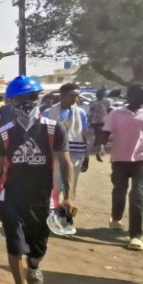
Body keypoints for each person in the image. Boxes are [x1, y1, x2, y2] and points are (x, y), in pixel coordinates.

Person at [0, 76, 74, 284]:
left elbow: (66, 163)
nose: (27, 103)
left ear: (39, 98)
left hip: (43, 199)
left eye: (31, 97)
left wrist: (70, 196)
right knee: (14, 246)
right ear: (12, 103)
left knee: (38, 247)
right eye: (21, 99)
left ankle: (33, 265)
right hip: (10, 197)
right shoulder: (3, 133)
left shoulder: (54, 129)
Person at [94, 83, 143, 251]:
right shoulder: (116, 113)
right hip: (120, 158)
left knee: (137, 194)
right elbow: (105, 132)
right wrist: (100, 146)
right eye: (141, 94)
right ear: (130, 95)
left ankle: (135, 236)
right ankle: (116, 218)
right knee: (119, 191)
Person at [43, 82, 89, 235]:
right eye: (71, 95)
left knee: (70, 190)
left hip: (75, 155)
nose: (74, 98)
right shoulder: (49, 112)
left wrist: (86, 155)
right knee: (53, 189)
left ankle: (66, 221)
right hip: (55, 157)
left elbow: (84, 134)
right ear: (62, 96)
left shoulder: (80, 113)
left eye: (76, 95)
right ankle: (50, 220)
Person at [88, 87, 112, 152]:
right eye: (98, 94)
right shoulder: (93, 102)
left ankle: (99, 147)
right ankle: (97, 147)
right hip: (95, 121)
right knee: (97, 134)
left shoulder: (107, 101)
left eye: (101, 94)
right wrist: (89, 119)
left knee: (103, 134)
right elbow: (91, 111)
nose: (99, 95)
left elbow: (109, 110)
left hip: (104, 121)